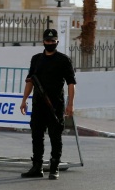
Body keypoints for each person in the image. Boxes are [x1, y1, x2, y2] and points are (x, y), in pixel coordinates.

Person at [19, 28, 76, 180]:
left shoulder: (63, 60)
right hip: (38, 104)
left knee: (55, 136)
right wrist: (24, 100)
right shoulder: (36, 59)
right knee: (37, 136)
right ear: (43, 41)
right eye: (47, 41)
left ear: (57, 42)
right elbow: (30, 81)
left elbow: (71, 83)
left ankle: (54, 167)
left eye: (52, 41)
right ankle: (37, 167)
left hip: (55, 105)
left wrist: (70, 104)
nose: (50, 43)